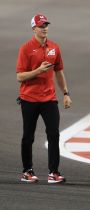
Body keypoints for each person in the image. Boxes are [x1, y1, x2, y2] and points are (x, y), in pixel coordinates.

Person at [16, 14, 72, 183]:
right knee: (28, 136)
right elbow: (20, 77)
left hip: (49, 99)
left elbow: (59, 72)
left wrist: (66, 94)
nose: (44, 28)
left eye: (46, 25)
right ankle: (27, 171)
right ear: (34, 29)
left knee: (54, 134)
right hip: (29, 99)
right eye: (41, 26)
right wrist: (38, 71)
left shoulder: (54, 47)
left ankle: (53, 172)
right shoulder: (26, 49)